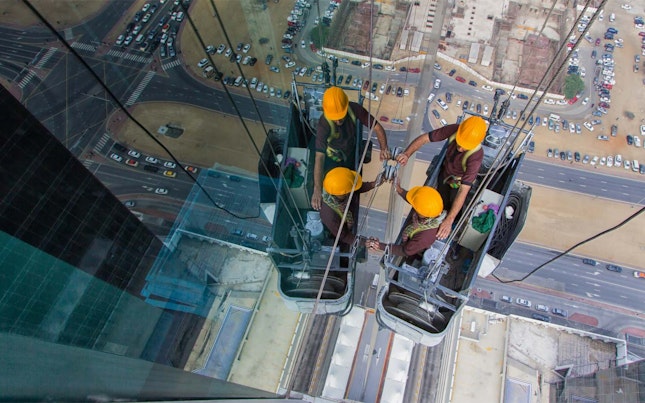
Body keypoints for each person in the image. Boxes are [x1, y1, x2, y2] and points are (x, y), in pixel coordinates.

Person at [395, 116, 487, 239]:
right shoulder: (454, 130)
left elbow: (463, 190)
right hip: (445, 175)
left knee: (454, 207)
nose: (460, 148)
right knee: (440, 202)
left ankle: (450, 225)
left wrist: (449, 220)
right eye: (460, 143)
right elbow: (424, 138)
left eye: (465, 146)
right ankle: (435, 220)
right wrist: (407, 154)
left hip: (458, 184)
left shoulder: (475, 156)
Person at [311, 86, 390, 211]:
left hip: (349, 153)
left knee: (348, 183)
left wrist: (384, 149)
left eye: (340, 116)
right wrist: (317, 189)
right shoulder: (324, 124)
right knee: (335, 186)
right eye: (335, 118)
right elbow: (319, 157)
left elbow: (377, 128)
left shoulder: (354, 109)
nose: (338, 120)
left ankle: (348, 201)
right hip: (333, 159)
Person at [367, 181, 445, 258]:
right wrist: (399, 189)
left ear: (420, 211)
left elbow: (404, 251)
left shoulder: (425, 236)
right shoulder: (433, 208)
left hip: (414, 249)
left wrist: (379, 246)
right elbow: (415, 201)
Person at [320, 167, 381, 246]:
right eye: (349, 190)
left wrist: (373, 184)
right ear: (343, 193)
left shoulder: (333, 187)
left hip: (348, 218)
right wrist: (365, 242)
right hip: (339, 233)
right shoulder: (329, 215)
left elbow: (355, 188)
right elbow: (344, 236)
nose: (351, 192)